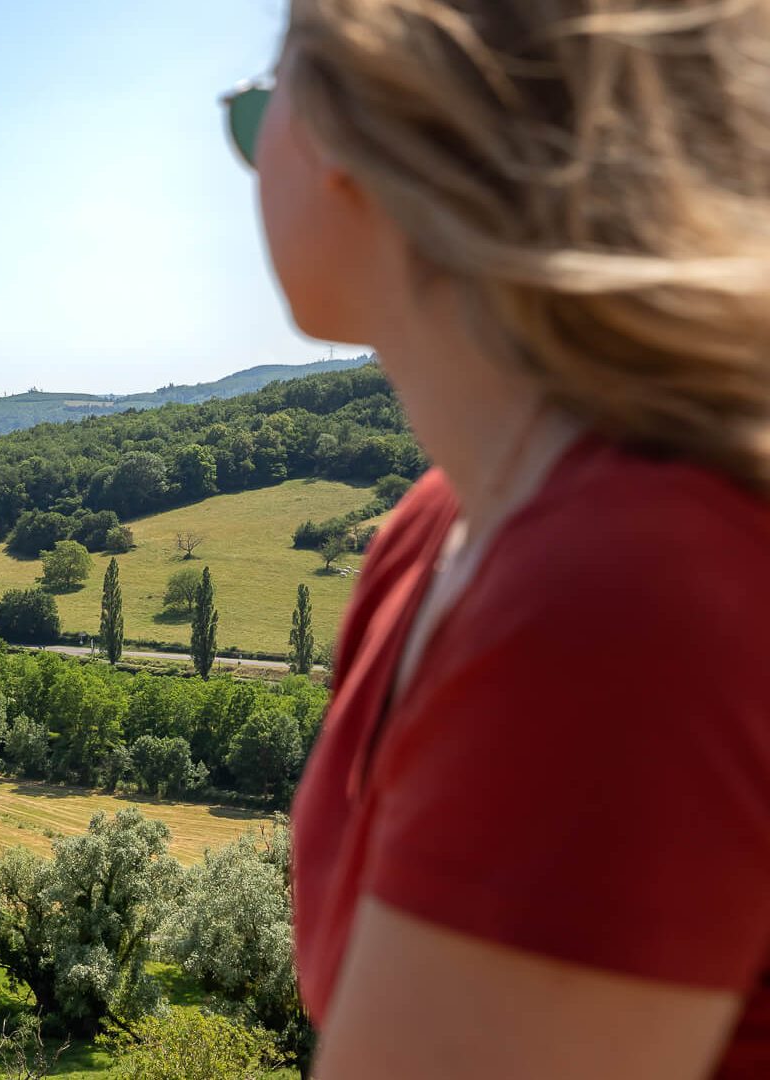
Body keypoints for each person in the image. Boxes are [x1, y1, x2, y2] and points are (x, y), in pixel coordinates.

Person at [221, 2, 770, 1076]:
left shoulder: (620, 597)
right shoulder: (440, 529)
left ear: (349, 133)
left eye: (254, 109)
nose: (248, 157)